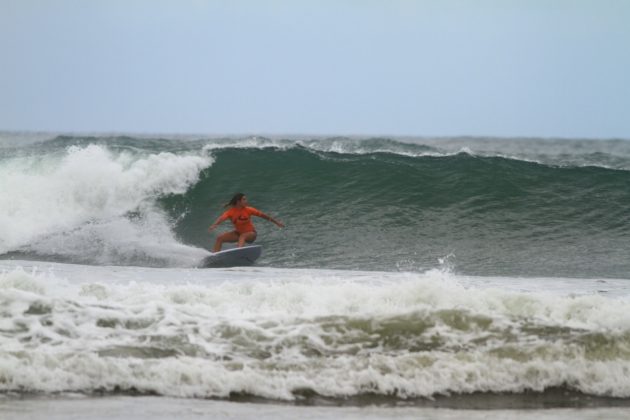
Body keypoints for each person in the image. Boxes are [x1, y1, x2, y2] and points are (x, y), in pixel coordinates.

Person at [208, 193, 284, 252]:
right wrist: (215, 224)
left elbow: (264, 216)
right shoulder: (230, 212)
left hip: (251, 234)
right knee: (220, 238)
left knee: (243, 236)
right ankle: (215, 256)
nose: (246, 201)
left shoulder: (249, 209)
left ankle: (239, 253)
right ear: (238, 202)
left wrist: (277, 223)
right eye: (244, 199)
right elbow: (222, 218)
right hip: (238, 233)